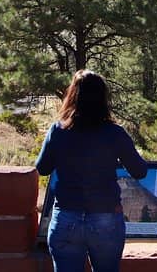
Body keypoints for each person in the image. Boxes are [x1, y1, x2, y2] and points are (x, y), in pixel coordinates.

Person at [36, 69, 148, 272]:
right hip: (105, 217)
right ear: (103, 99)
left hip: (67, 217)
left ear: (72, 96)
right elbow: (140, 171)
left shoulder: (58, 131)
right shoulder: (114, 133)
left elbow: (42, 168)